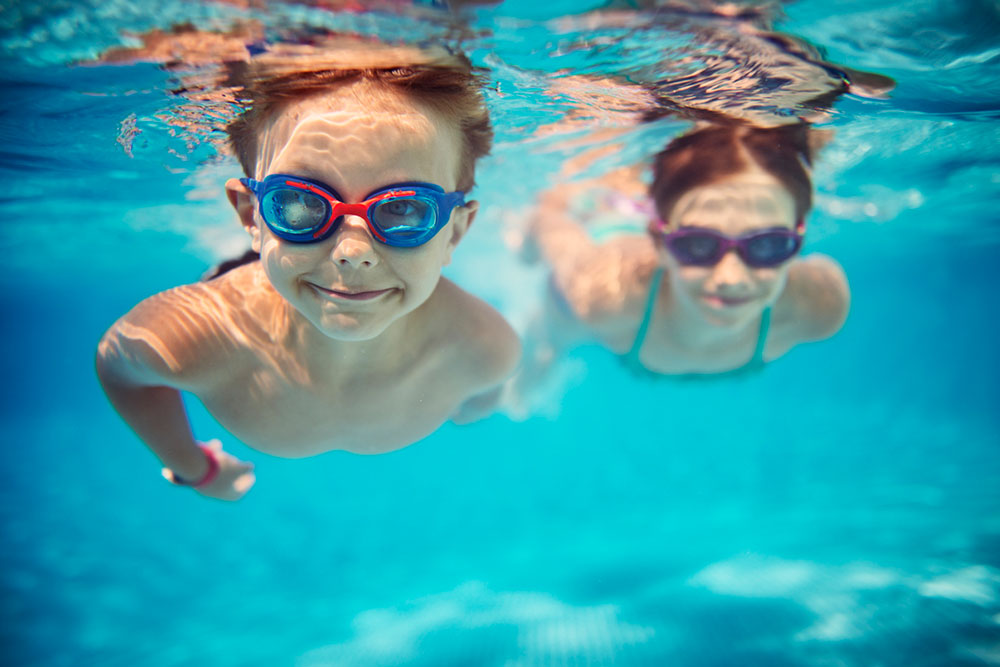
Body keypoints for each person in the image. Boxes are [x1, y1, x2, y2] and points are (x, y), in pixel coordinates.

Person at [96, 41, 520, 501]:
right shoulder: (194, 338)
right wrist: (193, 468)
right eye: (298, 202)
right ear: (250, 216)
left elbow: (485, 395)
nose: (352, 252)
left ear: (454, 233)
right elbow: (119, 369)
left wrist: (474, 402)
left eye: (404, 210)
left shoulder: (485, 350)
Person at [521, 122, 848, 384]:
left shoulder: (819, 306)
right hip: (611, 226)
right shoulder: (602, 293)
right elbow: (548, 222)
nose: (731, 278)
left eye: (767, 244)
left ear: (797, 243)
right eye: (698, 244)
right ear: (660, 244)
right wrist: (526, 253)